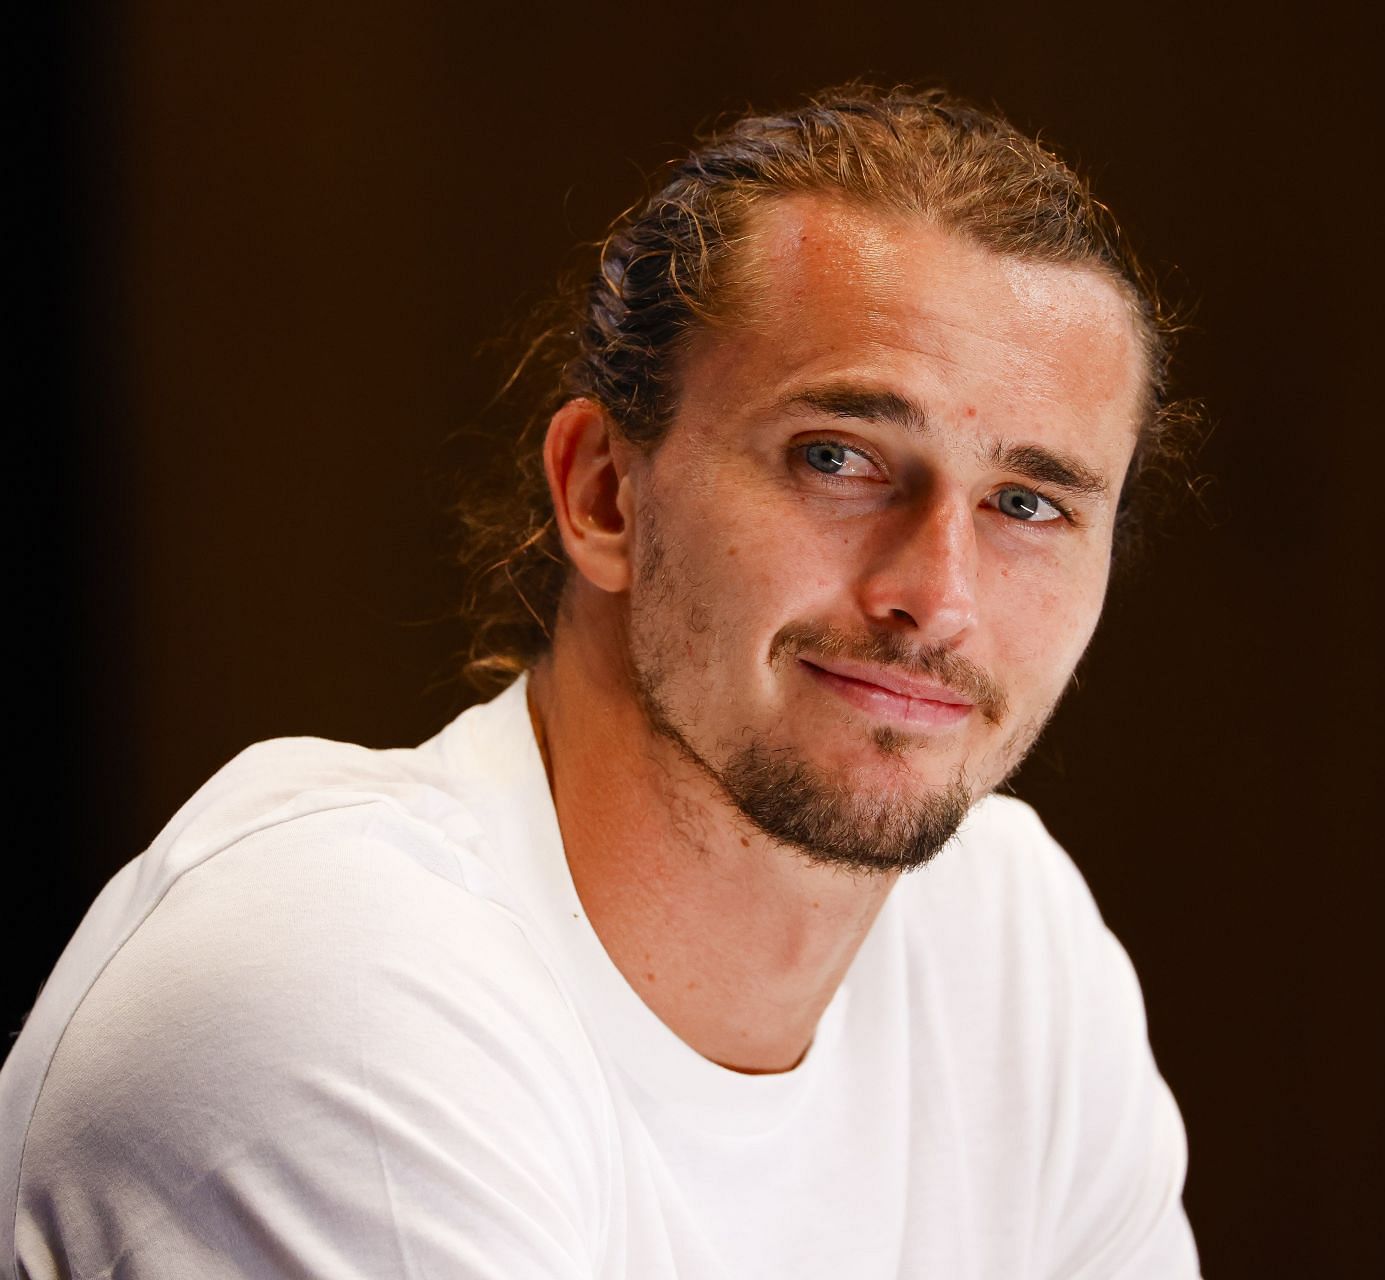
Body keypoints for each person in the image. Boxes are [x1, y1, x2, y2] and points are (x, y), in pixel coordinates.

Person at [1, 85, 1200, 1277]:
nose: (938, 595)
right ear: (602, 493)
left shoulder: (1010, 944)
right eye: (837, 457)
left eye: (1030, 503)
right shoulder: (346, 978)